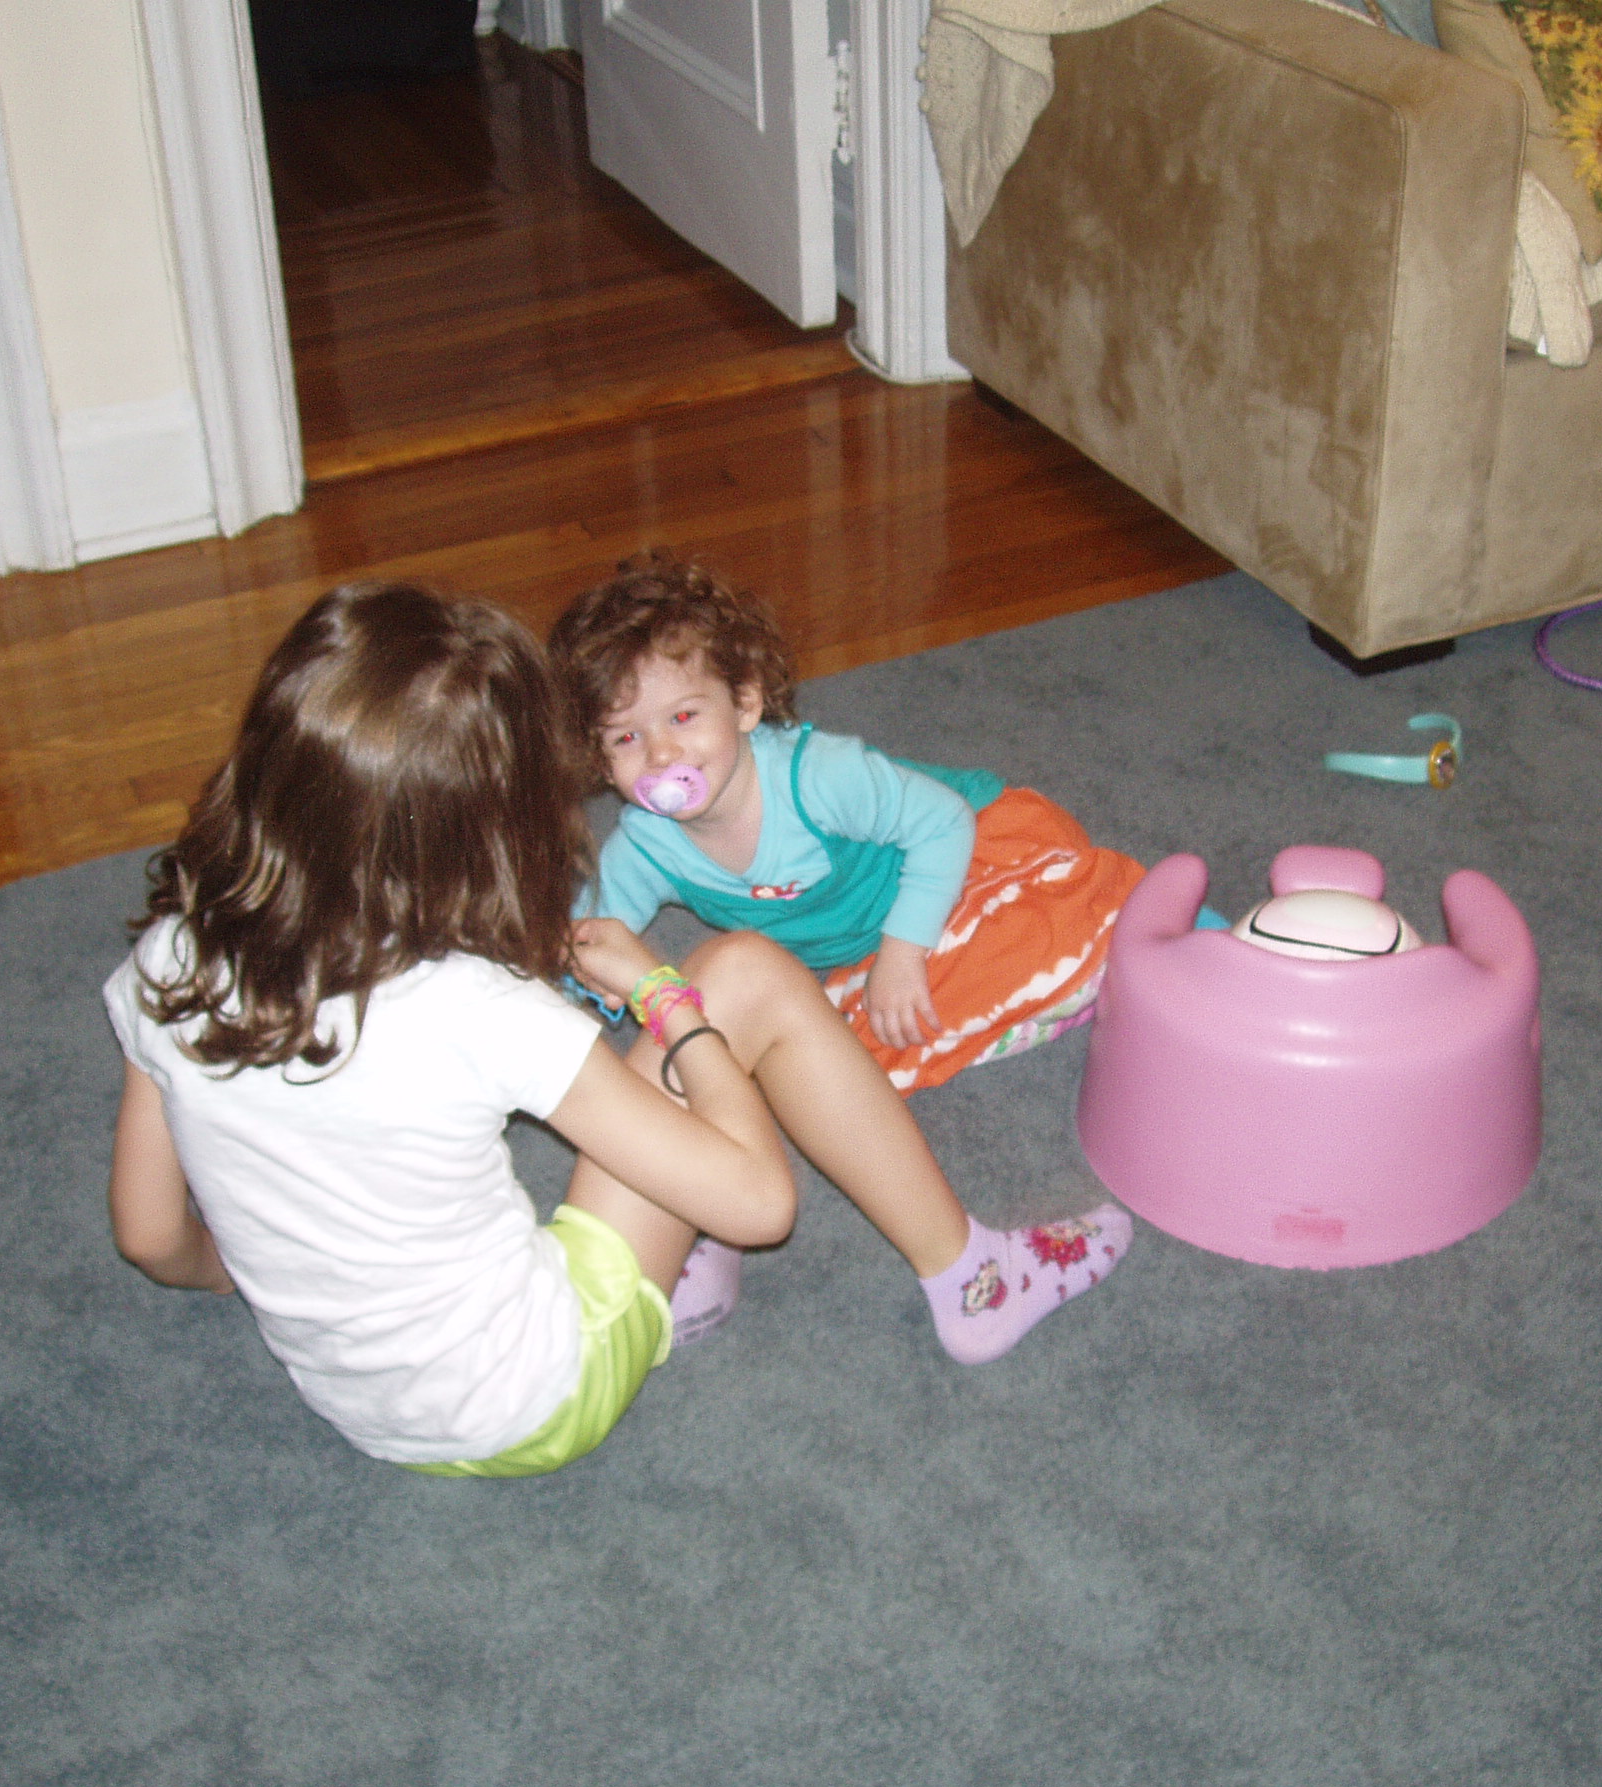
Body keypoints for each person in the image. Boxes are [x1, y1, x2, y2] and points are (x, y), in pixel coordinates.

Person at [102, 582, 1131, 1479]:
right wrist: (664, 999)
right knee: (745, 971)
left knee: (666, 1056)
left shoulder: (170, 957)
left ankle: (675, 1265)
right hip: (542, 1392)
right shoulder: (479, 1012)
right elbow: (761, 1200)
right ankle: (974, 1279)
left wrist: (266, 1268)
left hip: (360, 1410)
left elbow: (150, 1236)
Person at [551, 553, 1147, 1096]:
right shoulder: (643, 848)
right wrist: (586, 982)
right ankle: (1044, 989)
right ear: (600, 759)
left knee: (1027, 934)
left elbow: (944, 823)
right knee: (846, 1058)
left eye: (683, 717)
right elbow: (590, 935)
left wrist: (903, 953)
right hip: (868, 938)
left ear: (745, 704)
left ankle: (1089, 933)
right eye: (626, 738)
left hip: (976, 847)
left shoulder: (819, 777)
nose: (660, 754)